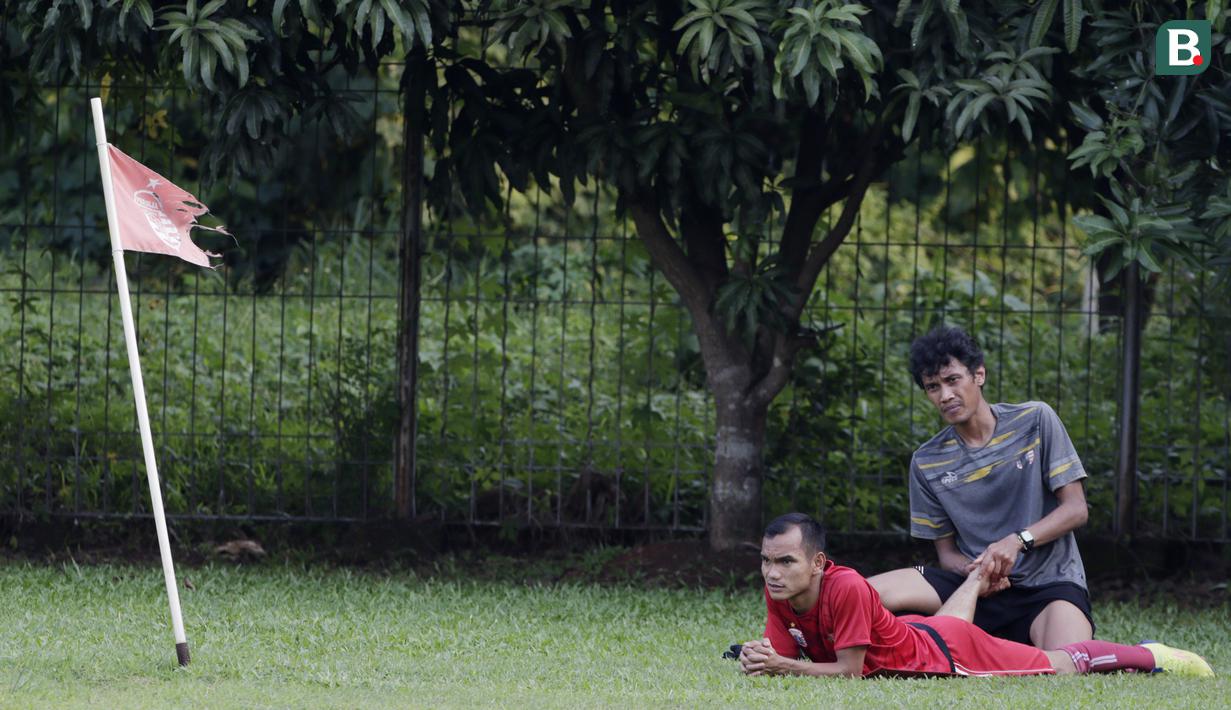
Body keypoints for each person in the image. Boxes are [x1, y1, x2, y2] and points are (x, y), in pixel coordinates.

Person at [736, 513, 1213, 678]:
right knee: (952, 621)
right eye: (766, 561)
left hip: (947, 656)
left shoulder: (847, 586)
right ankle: (978, 581)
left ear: (817, 562)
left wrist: (785, 666)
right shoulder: (780, 592)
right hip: (928, 633)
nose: (772, 573)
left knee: (1059, 664)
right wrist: (758, 657)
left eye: (785, 562)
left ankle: (1150, 655)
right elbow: (778, 653)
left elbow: (849, 673)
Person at [867, 325, 1093, 649]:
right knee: (862, 593)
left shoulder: (1036, 420)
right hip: (975, 587)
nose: (945, 395)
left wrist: (1017, 542)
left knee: (1066, 662)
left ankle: (1137, 653)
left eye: (952, 380)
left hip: (1049, 585)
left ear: (979, 375)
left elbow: (1076, 509)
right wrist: (976, 572)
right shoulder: (926, 462)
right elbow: (946, 555)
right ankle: (809, 638)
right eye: (933, 387)